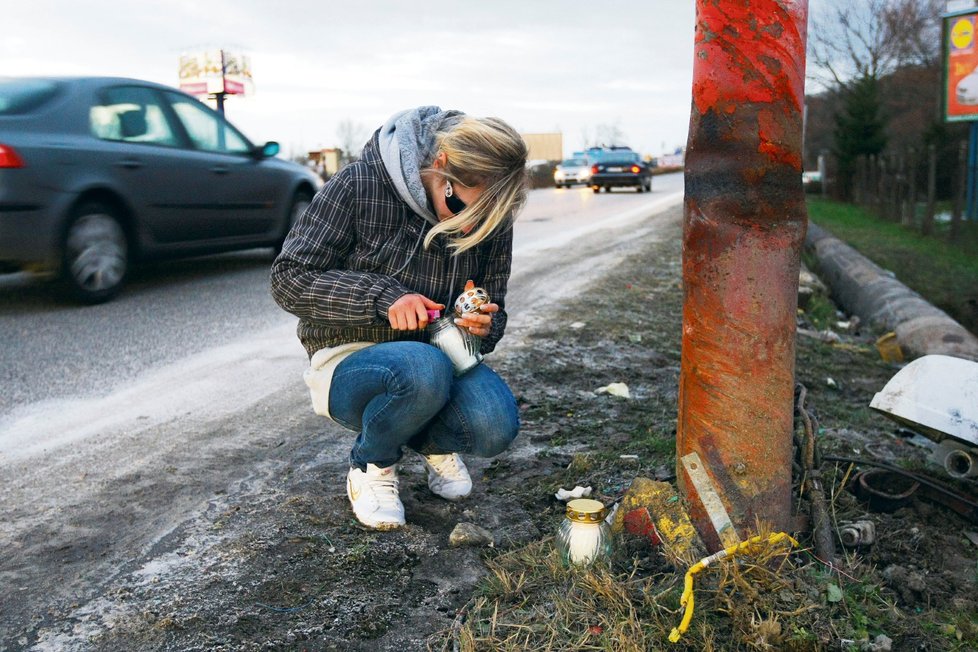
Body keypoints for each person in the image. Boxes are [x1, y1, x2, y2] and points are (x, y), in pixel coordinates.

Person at [270, 106, 528, 530]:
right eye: (461, 209)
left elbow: (493, 307)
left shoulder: (491, 213)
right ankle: (371, 464)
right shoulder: (360, 184)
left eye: (482, 220)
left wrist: (482, 324)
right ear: (440, 165)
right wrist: (382, 297)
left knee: (496, 424)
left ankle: (426, 439)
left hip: (440, 354)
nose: (470, 228)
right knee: (420, 368)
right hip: (348, 356)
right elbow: (289, 278)